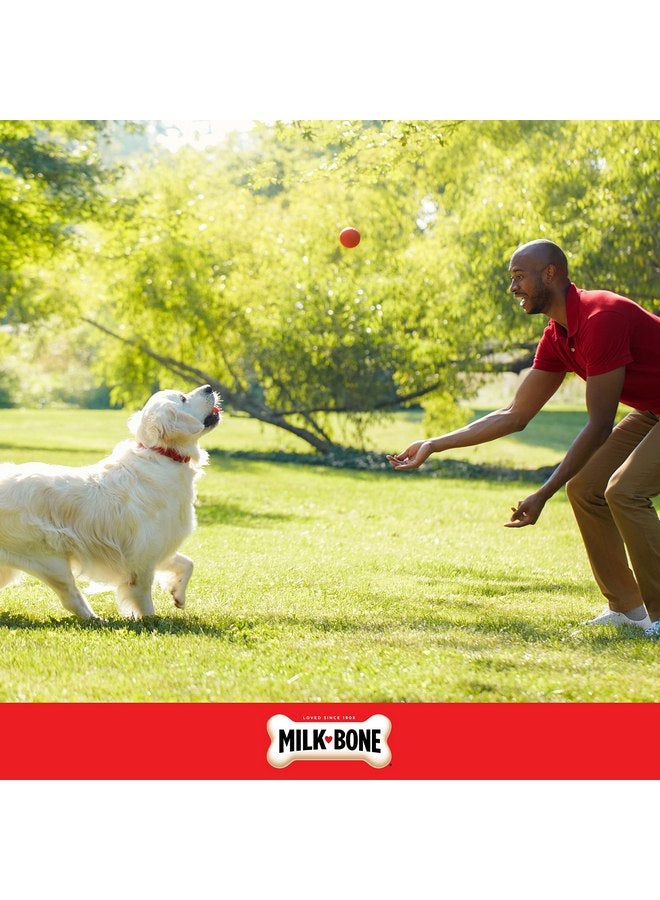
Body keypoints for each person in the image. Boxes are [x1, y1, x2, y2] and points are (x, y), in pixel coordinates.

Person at [387, 238, 660, 637]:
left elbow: (599, 425)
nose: (513, 287)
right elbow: (515, 415)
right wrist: (433, 443)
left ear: (550, 274)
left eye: (519, 277)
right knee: (585, 489)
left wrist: (543, 492)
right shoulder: (558, 336)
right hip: (652, 410)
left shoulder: (601, 318)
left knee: (624, 491)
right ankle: (628, 609)